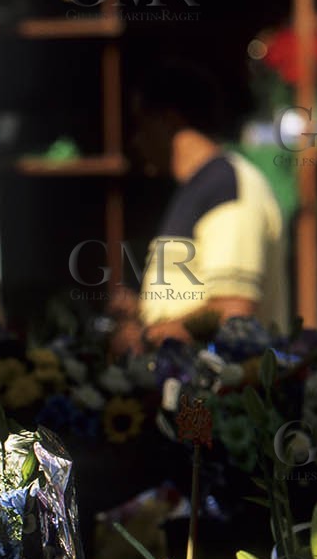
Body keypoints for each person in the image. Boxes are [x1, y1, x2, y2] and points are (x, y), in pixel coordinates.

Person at [111, 62, 286, 353]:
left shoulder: (226, 186)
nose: (136, 141)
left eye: (141, 123)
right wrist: (141, 312)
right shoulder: (197, 188)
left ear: (170, 120)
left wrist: (146, 337)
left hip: (222, 380)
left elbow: (233, 311)